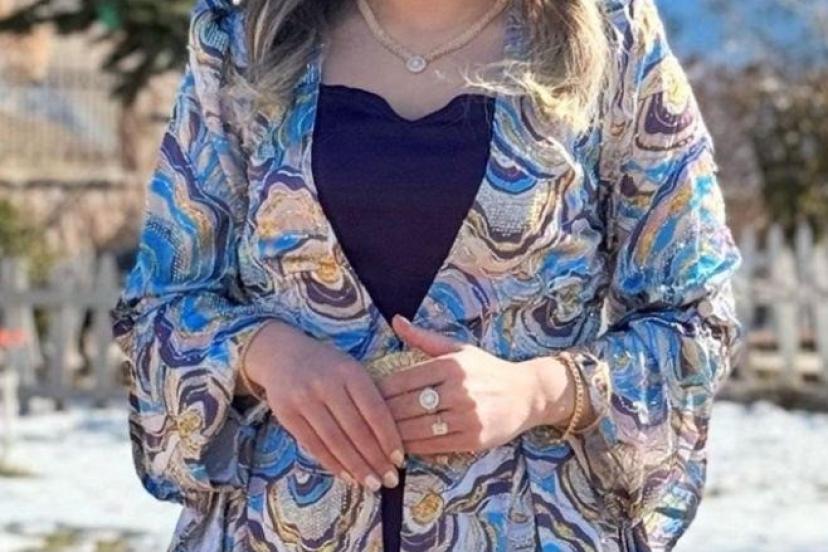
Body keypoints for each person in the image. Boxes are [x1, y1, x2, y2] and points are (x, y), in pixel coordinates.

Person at [110, 0, 743, 550]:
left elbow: (697, 318)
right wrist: (266, 355)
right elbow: (161, 307)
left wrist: (540, 391)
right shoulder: (243, 36)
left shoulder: (612, 36)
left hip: (532, 524)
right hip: (278, 527)